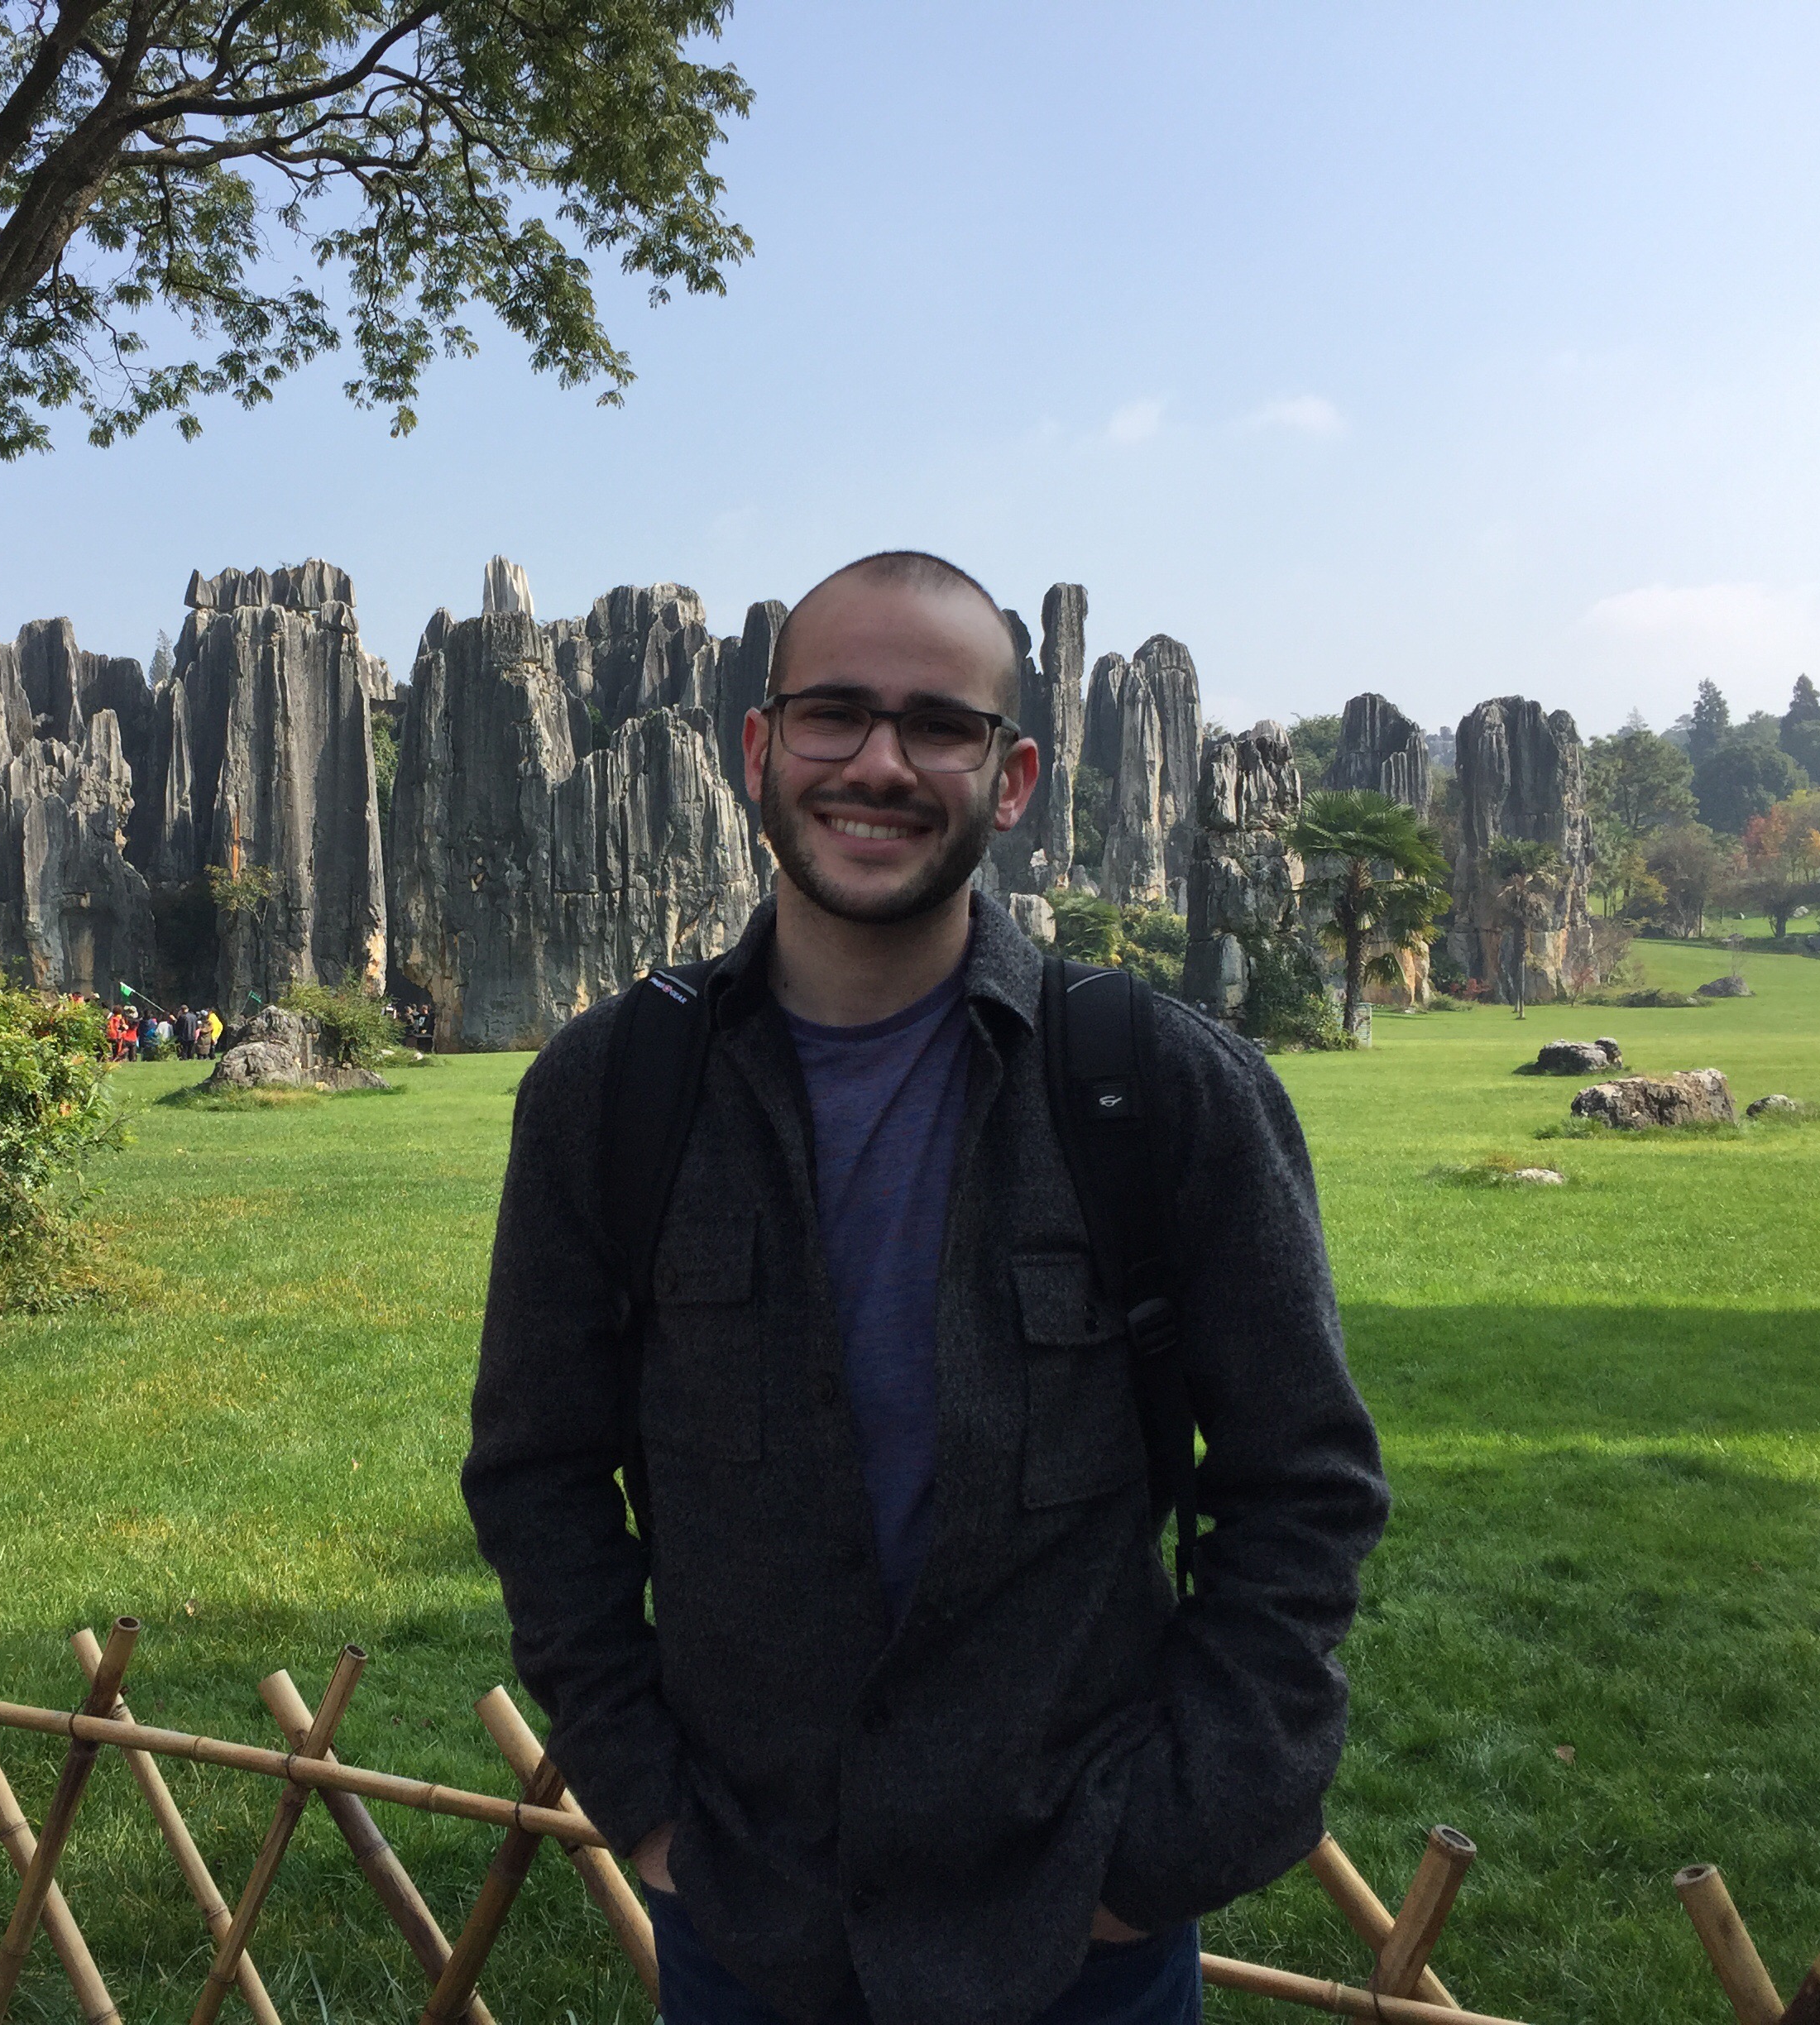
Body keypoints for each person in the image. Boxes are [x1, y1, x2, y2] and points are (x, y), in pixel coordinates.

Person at [462, 551, 1389, 2025]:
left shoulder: (1162, 1090)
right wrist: (651, 1806)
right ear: (759, 750)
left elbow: (1305, 1485)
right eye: (833, 713)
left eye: (940, 726)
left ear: (1012, 780)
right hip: (751, 1922)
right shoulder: (609, 1094)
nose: (881, 765)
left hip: (1077, 1929)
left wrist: (1171, 1837)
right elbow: (538, 1473)